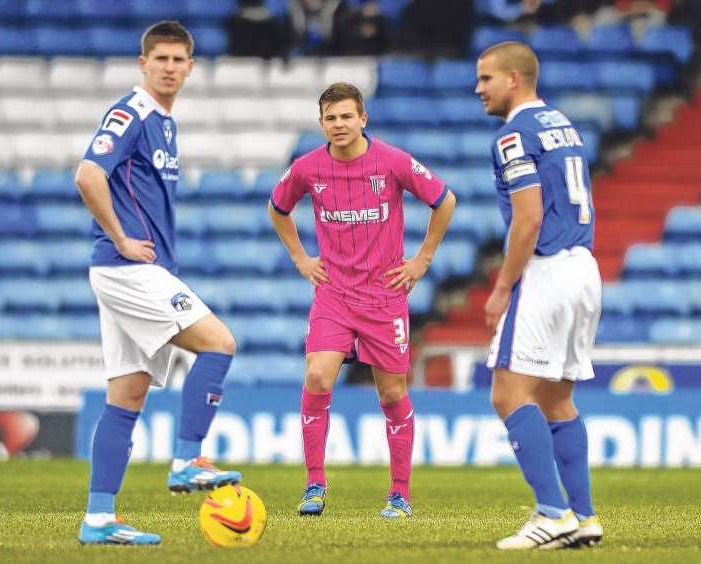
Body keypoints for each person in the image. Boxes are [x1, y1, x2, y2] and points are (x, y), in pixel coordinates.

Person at [75, 21, 241, 546]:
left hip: (135, 270)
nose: (169, 67)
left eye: (178, 60)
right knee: (219, 343)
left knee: (126, 397)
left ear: (191, 67)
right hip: (128, 268)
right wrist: (121, 237)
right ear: (142, 63)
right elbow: (87, 174)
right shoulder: (133, 112)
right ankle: (188, 458)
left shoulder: (166, 122)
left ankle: (99, 519)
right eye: (160, 59)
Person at [268, 82, 456, 519]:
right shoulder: (307, 168)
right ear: (321, 124)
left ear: (363, 119)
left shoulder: (391, 161)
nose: (339, 124)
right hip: (333, 294)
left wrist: (422, 260)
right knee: (317, 376)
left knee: (391, 393)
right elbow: (278, 208)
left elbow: (445, 201)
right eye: (331, 118)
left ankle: (400, 493)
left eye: (346, 116)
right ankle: (314, 484)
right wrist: (300, 258)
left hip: (384, 297)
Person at [475, 41, 603, 550]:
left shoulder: (513, 136)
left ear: (513, 79)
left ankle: (551, 512)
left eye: (486, 78)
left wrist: (502, 286)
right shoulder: (563, 125)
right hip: (584, 268)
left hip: (546, 270)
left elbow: (528, 218)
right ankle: (585, 516)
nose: (478, 88)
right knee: (557, 399)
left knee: (509, 393)